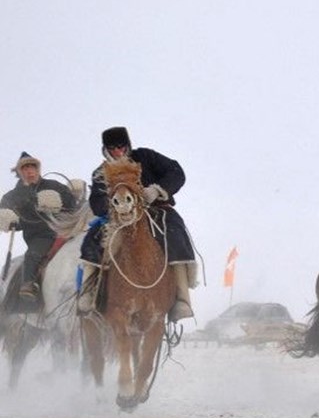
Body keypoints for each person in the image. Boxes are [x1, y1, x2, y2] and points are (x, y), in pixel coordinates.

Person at [78, 127, 197, 322]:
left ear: (128, 145)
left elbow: (176, 172)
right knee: (93, 238)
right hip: (120, 217)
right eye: (112, 148)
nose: (117, 152)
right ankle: (88, 291)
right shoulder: (101, 172)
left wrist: (158, 190)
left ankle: (182, 298)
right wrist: (116, 205)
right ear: (105, 149)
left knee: (175, 233)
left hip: (157, 211)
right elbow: (96, 202)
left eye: (121, 146)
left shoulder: (146, 157)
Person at [0, 152, 78, 303]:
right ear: (19, 172)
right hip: (40, 236)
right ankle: (28, 285)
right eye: (25, 168)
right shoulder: (13, 197)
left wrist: (59, 207)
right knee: (33, 254)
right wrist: (8, 220)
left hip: (65, 230)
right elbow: (7, 215)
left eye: (32, 167)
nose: (29, 171)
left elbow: (72, 207)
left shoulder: (55, 186)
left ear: (38, 169)